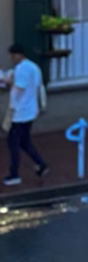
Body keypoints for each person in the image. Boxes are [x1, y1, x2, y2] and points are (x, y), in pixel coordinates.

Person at [1, 44, 48, 187]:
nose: (11, 58)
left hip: (20, 111)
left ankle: (14, 175)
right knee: (24, 141)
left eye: (12, 55)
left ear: (17, 55)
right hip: (31, 110)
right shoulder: (34, 67)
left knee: (13, 142)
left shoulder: (21, 69)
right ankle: (41, 164)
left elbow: (20, 87)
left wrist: (5, 80)